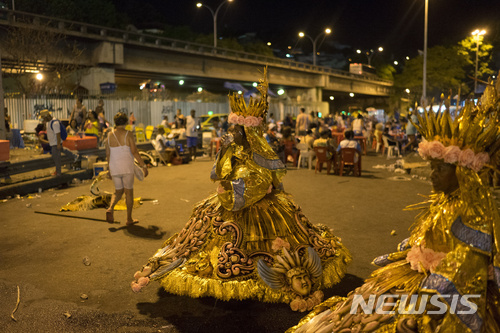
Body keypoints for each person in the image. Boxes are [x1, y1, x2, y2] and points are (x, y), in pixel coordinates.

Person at [130, 71, 351, 311]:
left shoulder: (260, 152)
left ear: (248, 131)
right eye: (232, 128)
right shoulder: (233, 149)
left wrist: (239, 188)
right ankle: (161, 263)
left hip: (257, 203)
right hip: (229, 200)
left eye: (236, 129)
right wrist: (225, 152)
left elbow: (267, 178)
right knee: (198, 230)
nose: (232, 132)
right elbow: (219, 174)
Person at [289, 85, 500, 333]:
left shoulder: (473, 213)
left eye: (440, 169)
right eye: (431, 167)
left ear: (462, 173)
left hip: (447, 289)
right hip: (421, 274)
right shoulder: (445, 200)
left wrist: (425, 311)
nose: (432, 175)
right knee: (357, 307)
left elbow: (467, 271)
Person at [105, 112, 148, 225]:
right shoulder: (128, 134)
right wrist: (143, 166)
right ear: (125, 122)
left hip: (114, 167)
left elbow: (108, 154)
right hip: (126, 167)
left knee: (118, 191)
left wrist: (109, 170)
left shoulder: (109, 135)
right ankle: (129, 219)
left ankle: (110, 208)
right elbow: (134, 152)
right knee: (129, 192)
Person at [40, 110, 62, 176]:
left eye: (43, 118)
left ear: (47, 116)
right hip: (52, 143)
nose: (43, 119)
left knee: (56, 159)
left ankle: (58, 173)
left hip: (55, 144)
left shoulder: (55, 123)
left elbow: (58, 134)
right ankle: (57, 171)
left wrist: (58, 144)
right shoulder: (48, 123)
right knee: (55, 158)